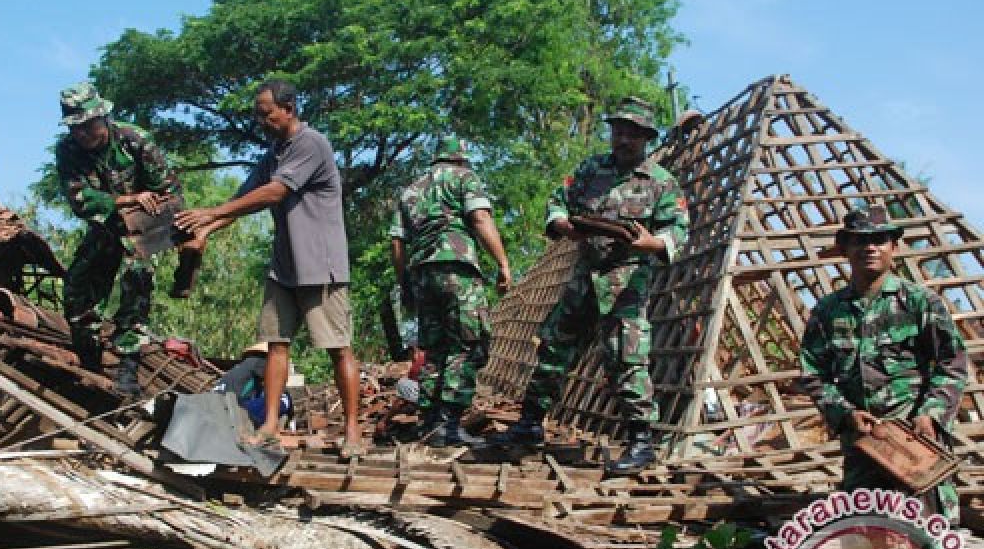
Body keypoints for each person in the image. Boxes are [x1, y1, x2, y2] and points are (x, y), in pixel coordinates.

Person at [490, 96, 689, 474]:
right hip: (585, 274)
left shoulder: (661, 184)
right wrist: (562, 222)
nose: (622, 139)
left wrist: (651, 243)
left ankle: (641, 440)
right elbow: (558, 200)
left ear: (646, 137)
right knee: (552, 347)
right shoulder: (591, 169)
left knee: (627, 356)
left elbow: (677, 230)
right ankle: (530, 425)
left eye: (632, 133)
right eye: (618, 131)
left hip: (627, 277)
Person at [175, 80, 361, 449]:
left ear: (289, 108)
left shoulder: (311, 144)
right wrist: (205, 229)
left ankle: (353, 430)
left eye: (267, 113)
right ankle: (271, 425)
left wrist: (211, 212)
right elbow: (243, 198)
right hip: (284, 267)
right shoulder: (273, 154)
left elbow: (275, 192)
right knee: (276, 344)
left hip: (320, 265)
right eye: (258, 115)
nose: (261, 121)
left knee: (338, 347)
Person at [799, 205, 967, 518]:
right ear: (845, 249)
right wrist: (846, 414)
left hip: (916, 444)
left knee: (930, 543)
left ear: (894, 247)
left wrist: (930, 414)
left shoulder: (919, 303)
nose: (870, 247)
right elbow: (813, 374)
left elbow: (952, 365)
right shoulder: (828, 312)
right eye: (860, 241)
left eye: (879, 239)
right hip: (863, 448)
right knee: (868, 542)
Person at [55, 81, 178, 397]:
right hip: (104, 229)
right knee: (76, 289)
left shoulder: (135, 141)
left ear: (103, 118)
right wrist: (127, 200)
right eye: (76, 128)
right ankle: (90, 366)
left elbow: (171, 195)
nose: (82, 134)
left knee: (137, 281)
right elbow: (80, 200)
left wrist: (149, 211)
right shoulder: (67, 151)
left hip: (143, 231)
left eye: (88, 125)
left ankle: (127, 371)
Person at [389, 135, 511, 446]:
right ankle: (450, 422)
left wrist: (404, 283)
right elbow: (480, 218)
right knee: (470, 343)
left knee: (434, 347)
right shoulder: (464, 177)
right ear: (462, 158)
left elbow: (397, 242)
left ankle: (431, 422)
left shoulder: (411, 190)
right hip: (457, 268)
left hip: (422, 274)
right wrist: (503, 262)